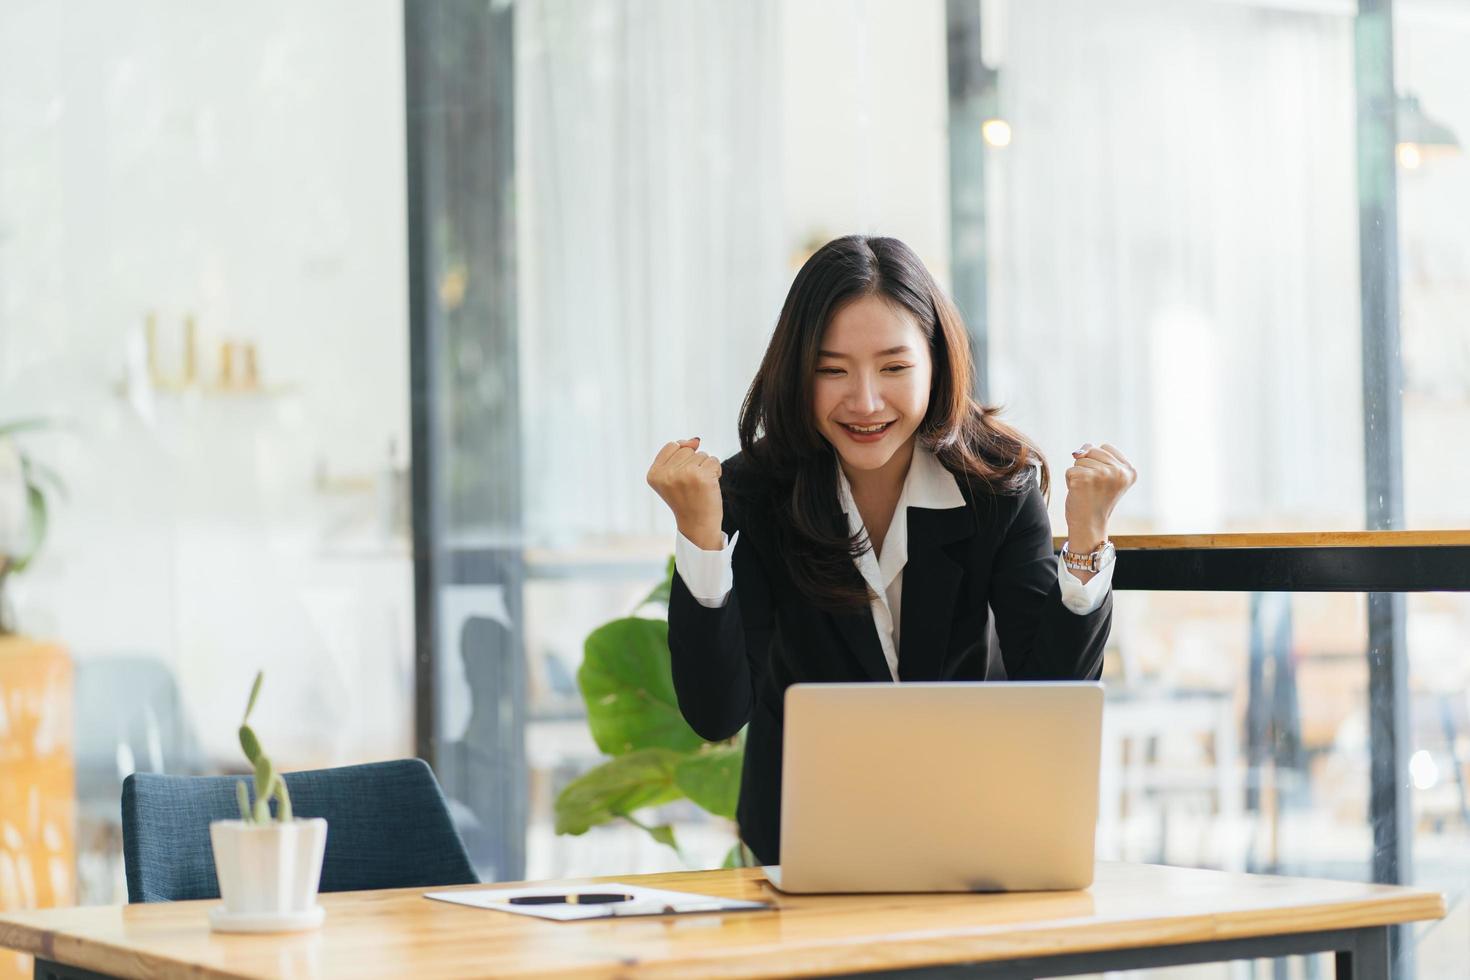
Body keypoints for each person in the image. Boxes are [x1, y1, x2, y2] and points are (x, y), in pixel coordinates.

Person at [646, 235, 1135, 865]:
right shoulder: (758, 491)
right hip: (803, 845)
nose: (866, 401)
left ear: (936, 363)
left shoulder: (996, 488)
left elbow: (1052, 695)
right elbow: (717, 715)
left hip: (973, 835)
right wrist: (699, 537)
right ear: (797, 373)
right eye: (832, 369)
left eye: (895, 367)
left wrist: (1087, 539)